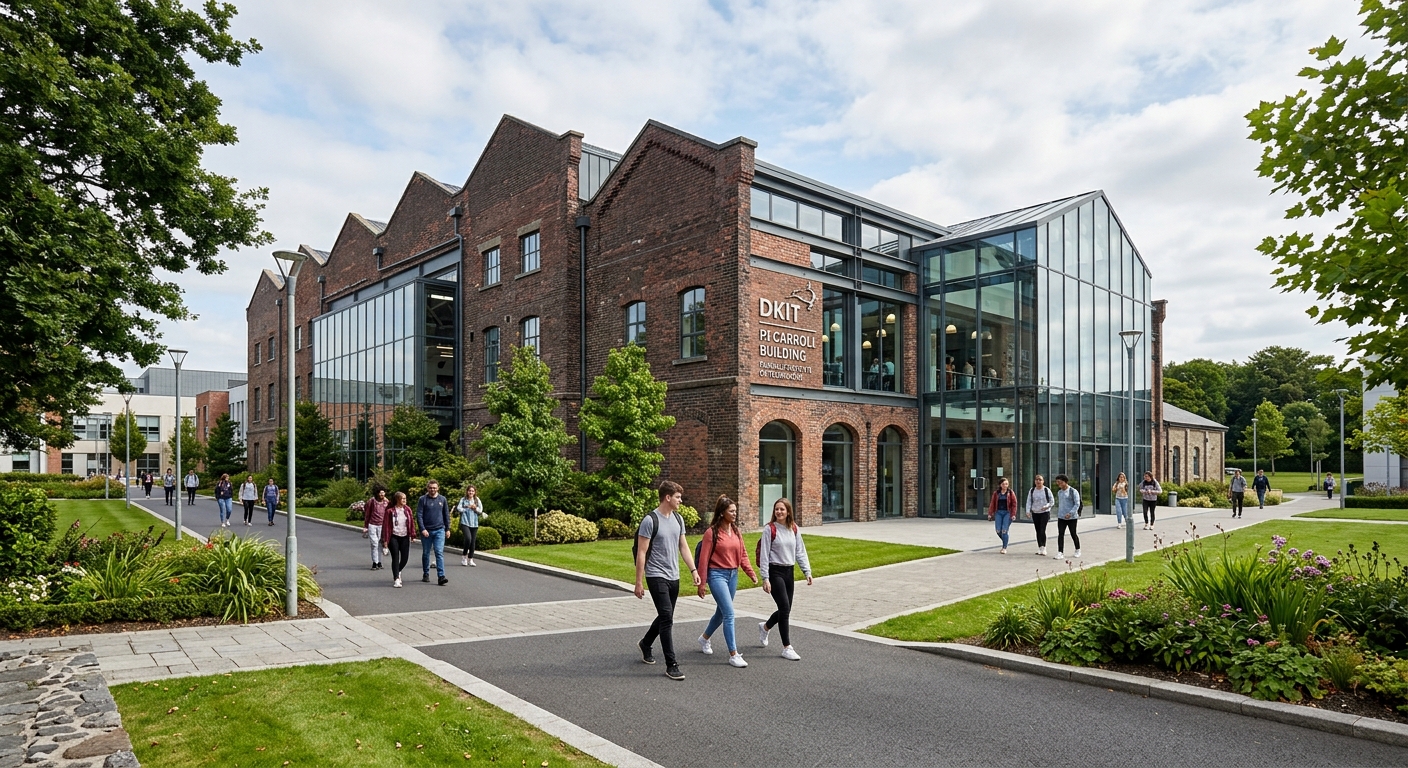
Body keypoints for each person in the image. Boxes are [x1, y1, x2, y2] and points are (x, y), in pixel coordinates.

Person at [635, 480, 701, 681]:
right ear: (668, 497)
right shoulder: (650, 520)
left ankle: (646, 643)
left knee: (666, 616)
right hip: (656, 575)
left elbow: (683, 547)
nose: (681, 500)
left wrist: (693, 570)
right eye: (678, 497)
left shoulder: (678, 519)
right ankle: (671, 664)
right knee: (666, 618)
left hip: (674, 576)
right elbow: (641, 552)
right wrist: (639, 582)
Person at [695, 496, 758, 668]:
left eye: (735, 511)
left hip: (733, 575)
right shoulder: (711, 533)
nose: (735, 514)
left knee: (721, 613)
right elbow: (704, 559)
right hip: (717, 575)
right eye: (731, 511)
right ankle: (733, 654)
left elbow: (743, 554)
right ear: (722, 513)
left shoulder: (736, 531)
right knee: (729, 613)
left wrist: (750, 572)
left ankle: (704, 638)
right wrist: (702, 583)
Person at [757, 497, 812, 660]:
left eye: (782, 509)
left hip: (789, 571)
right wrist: (765, 578)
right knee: (785, 608)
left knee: (785, 609)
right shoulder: (769, 529)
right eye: (776, 509)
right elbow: (764, 555)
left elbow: (800, 551)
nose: (779, 512)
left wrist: (807, 571)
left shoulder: (794, 528)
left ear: (788, 512)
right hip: (775, 572)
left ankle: (765, 627)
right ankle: (787, 647)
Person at [417, 479, 450, 586]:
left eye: (434, 488)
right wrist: (422, 529)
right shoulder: (423, 499)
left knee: (439, 552)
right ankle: (425, 573)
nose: (432, 490)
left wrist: (447, 529)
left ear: (438, 488)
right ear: (427, 488)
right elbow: (419, 515)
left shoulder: (442, 499)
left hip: (439, 530)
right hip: (427, 531)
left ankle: (441, 576)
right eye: (431, 488)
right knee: (426, 553)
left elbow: (446, 515)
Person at [381, 491, 415, 588]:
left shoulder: (407, 510)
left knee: (405, 558)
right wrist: (385, 541)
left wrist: (412, 535)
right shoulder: (390, 512)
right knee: (395, 557)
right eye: (402, 498)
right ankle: (396, 578)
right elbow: (386, 527)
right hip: (394, 537)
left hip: (404, 536)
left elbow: (411, 522)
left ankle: (398, 570)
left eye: (405, 498)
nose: (404, 500)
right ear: (397, 499)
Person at [1053, 474, 1081, 559]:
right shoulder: (1059, 492)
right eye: (1057, 482)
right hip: (1061, 517)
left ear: (1065, 482)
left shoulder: (1073, 491)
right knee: (1060, 534)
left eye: (1060, 482)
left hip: (1072, 517)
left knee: (1073, 533)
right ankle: (1060, 552)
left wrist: (1071, 513)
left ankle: (1077, 549)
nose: (1059, 484)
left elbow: (1077, 504)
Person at [457, 485, 485, 567]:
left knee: (473, 541)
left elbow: (480, 510)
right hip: (465, 522)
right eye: (469, 491)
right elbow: (459, 508)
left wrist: (475, 508)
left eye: (472, 491)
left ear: (475, 492)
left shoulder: (477, 500)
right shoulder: (463, 499)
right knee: (468, 539)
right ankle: (464, 556)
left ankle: (470, 559)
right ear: (467, 491)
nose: (471, 492)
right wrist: (467, 508)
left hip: (474, 523)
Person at [363, 487, 391, 571]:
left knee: (379, 543)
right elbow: (367, 513)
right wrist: (365, 526)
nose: (382, 494)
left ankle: (379, 561)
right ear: (377, 493)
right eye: (380, 493)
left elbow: (391, 509)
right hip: (372, 524)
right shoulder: (372, 501)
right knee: (374, 543)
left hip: (382, 525)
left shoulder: (386, 502)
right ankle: (374, 562)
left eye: (383, 493)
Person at [987, 478, 1016, 555]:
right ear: (1000, 485)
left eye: (1006, 484)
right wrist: (990, 513)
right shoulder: (996, 493)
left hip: (1007, 513)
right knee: (998, 530)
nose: (1005, 485)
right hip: (998, 512)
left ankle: (1004, 547)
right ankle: (1005, 540)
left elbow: (1014, 504)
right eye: (1003, 484)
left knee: (1004, 530)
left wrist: (1013, 514)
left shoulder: (1010, 492)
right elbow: (992, 503)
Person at [1027, 475, 1054, 556]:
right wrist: (1028, 511)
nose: (1038, 481)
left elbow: (1052, 501)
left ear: (1043, 481)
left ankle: (1044, 547)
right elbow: (1029, 501)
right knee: (1038, 530)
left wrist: (1046, 506)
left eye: (1040, 480)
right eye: (1036, 480)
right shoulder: (1032, 490)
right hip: (1035, 512)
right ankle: (1040, 547)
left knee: (1042, 529)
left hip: (1044, 513)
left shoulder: (1046, 490)